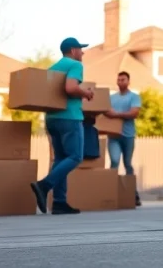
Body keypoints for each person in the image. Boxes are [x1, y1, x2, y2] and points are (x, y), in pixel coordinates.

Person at [30, 37, 95, 215]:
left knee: (60, 159)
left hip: (52, 119)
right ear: (73, 50)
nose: (82, 53)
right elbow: (71, 88)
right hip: (70, 118)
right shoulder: (75, 65)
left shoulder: (53, 68)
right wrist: (86, 93)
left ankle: (59, 202)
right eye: (80, 49)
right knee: (75, 156)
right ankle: (44, 185)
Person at [106, 71, 142, 206]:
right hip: (113, 135)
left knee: (127, 163)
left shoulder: (134, 97)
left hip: (128, 135)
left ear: (128, 81)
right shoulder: (111, 98)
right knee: (114, 162)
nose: (121, 82)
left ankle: (133, 194)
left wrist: (116, 114)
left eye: (123, 80)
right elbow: (105, 112)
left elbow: (134, 113)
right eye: (119, 80)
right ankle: (110, 192)